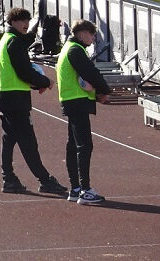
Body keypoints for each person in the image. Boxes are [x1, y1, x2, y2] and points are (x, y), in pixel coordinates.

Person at [0, 6, 69, 196]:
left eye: (27, 21)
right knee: (28, 141)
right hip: (16, 99)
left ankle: (8, 178)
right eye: (22, 21)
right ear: (12, 22)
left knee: (9, 138)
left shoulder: (7, 40)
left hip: (6, 96)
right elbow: (24, 70)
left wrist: (36, 84)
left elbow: (20, 68)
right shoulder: (14, 43)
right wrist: (44, 81)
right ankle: (44, 180)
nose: (26, 24)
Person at [57, 19, 113, 204]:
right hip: (77, 101)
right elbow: (91, 72)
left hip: (71, 100)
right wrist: (104, 91)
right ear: (82, 34)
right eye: (91, 34)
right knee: (84, 145)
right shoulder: (75, 50)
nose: (94, 37)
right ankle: (85, 190)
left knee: (73, 145)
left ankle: (76, 189)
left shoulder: (68, 49)